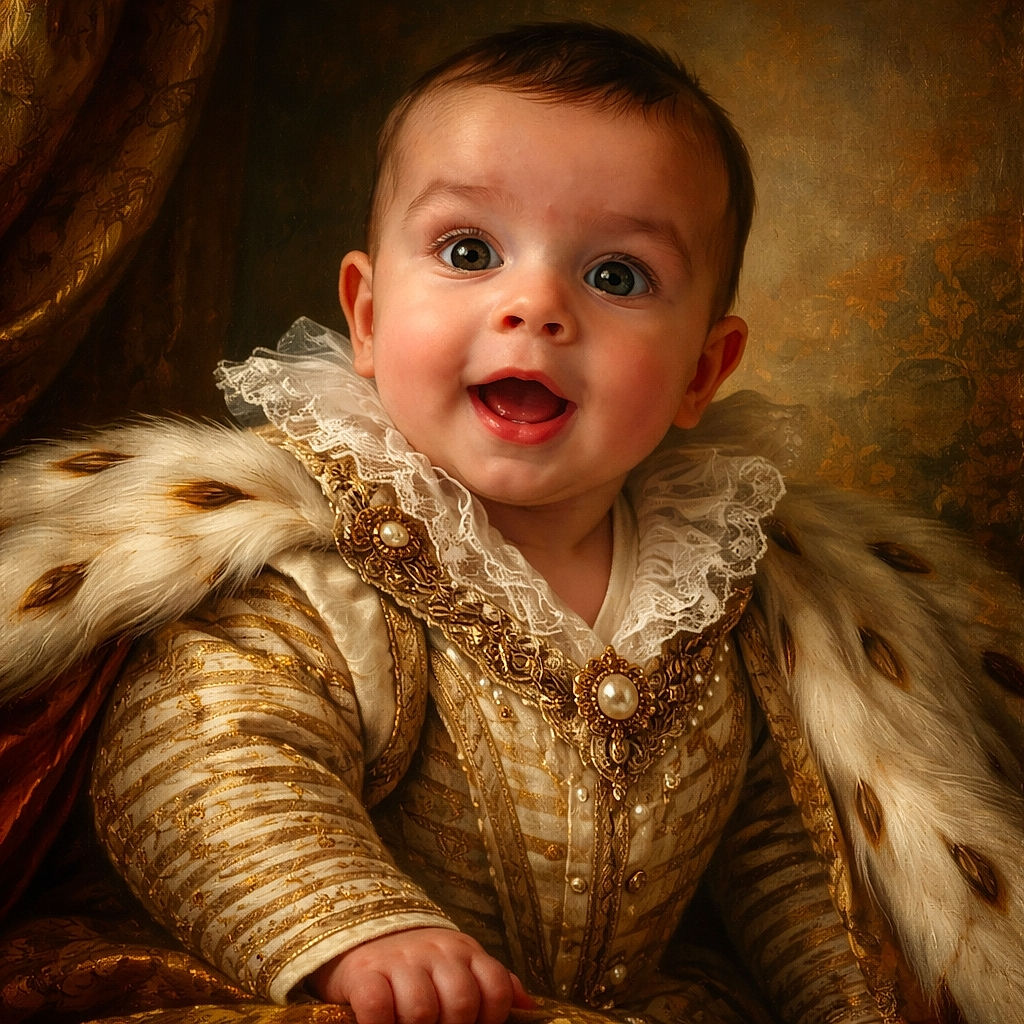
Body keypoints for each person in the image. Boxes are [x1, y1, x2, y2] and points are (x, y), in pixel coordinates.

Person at [1, 21, 1022, 1024]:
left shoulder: (715, 592)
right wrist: (361, 933)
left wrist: (849, 1000)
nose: (534, 304)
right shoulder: (324, 561)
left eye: (614, 275)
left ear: (701, 371)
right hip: (332, 987)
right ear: (365, 316)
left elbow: (772, 849)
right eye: (469, 249)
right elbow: (201, 762)